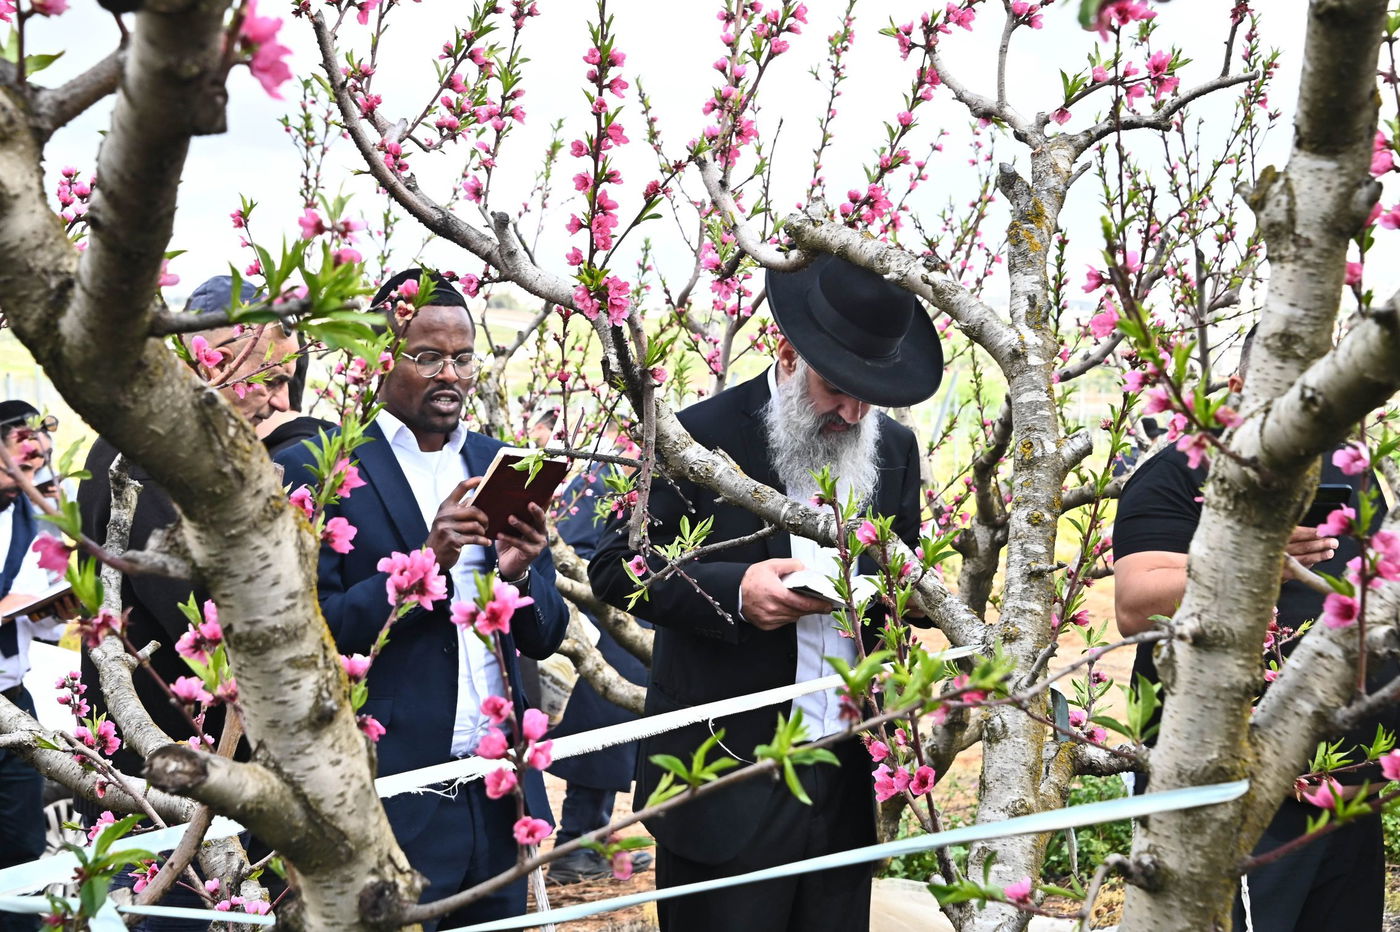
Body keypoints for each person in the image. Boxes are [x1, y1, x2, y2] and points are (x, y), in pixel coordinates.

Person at [588, 253, 943, 932]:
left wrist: (912, 601)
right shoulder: (697, 435)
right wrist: (735, 589)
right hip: (723, 782)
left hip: (842, 779)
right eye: (837, 388)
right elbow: (616, 565)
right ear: (786, 353)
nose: (853, 410)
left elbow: (898, 574)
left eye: (871, 393)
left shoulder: (892, 446)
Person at [275, 269, 568, 930]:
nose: (451, 375)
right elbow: (309, 634)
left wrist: (520, 579)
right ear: (381, 358)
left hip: (499, 792)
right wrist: (422, 565)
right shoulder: (320, 468)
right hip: (388, 798)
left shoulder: (502, 462)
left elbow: (549, 636)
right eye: (428, 356)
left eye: (463, 358)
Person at [1113, 327, 1395, 931]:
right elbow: (1137, 602)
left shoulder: (1352, 471)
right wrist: (1253, 550)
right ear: (1240, 387)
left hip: (1349, 790)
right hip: (1232, 793)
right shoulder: (1180, 471)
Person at [77, 275, 298, 931]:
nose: (274, 401)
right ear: (202, 358)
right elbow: (197, 612)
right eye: (259, 375)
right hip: (161, 778)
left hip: (222, 779)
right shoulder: (143, 451)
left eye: (286, 381)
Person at [545, 427, 653, 885]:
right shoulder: (605, 476)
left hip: (634, 628)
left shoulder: (645, 475)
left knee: (613, 747)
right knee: (599, 744)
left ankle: (597, 837)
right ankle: (574, 848)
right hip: (607, 625)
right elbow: (571, 549)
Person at [0, 402, 72, 932]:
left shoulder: (44, 523)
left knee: (20, 849)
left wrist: (55, 612)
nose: (32, 470)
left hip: (12, 706)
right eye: (21, 458)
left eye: (39, 460)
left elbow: (38, 625)